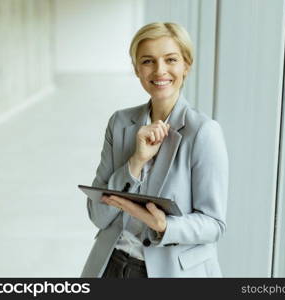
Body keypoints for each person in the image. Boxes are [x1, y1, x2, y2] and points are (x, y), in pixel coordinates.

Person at [81, 22, 228, 278]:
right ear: (137, 69)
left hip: (169, 272)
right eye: (148, 61)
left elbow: (214, 224)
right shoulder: (119, 123)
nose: (159, 70)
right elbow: (98, 215)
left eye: (170, 59)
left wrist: (163, 225)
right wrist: (135, 162)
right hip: (111, 265)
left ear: (186, 65)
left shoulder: (204, 132)